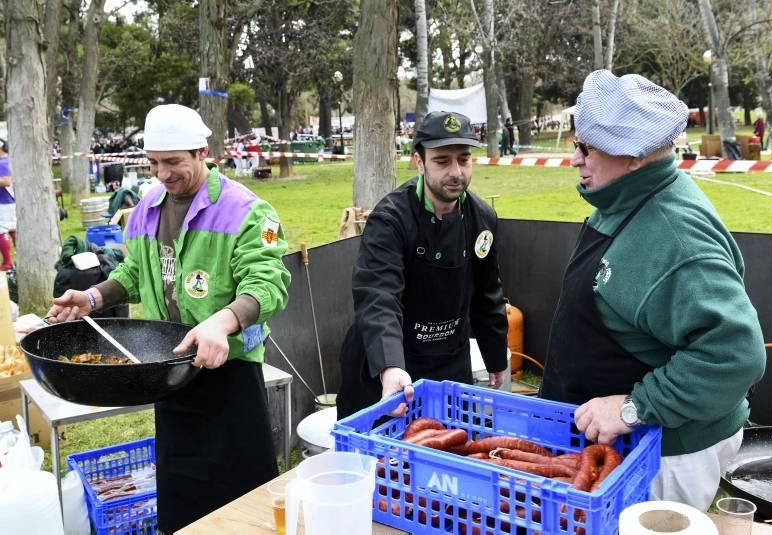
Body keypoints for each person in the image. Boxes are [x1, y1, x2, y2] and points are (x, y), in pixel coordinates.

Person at [47, 104, 291, 533]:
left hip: (230, 374)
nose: (162, 174)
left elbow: (268, 283)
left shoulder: (249, 211)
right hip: (169, 371)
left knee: (243, 500)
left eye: (173, 162)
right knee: (183, 496)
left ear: (202, 152)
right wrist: (91, 296)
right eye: (154, 163)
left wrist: (223, 321)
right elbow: (135, 272)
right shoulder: (146, 209)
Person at [539, 70, 766, 511]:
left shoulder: (676, 239)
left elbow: (737, 355)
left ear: (636, 156)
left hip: (666, 455)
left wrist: (632, 407)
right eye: (576, 144)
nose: (575, 159)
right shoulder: (622, 196)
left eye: (588, 148)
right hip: (611, 444)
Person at [336, 111, 509, 420]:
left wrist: (495, 357)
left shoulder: (483, 219)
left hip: (449, 361)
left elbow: (487, 294)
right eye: (442, 161)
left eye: (464, 159)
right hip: (389, 360)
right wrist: (390, 366)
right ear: (419, 161)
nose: (456, 172)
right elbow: (378, 297)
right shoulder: (390, 220)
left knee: (450, 444)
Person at [0, 139, 16, 271]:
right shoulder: (10, 160)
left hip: (5, 201)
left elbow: (6, 181)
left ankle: (7, 262)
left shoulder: (3, 162)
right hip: (10, 201)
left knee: (1, 231)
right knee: (13, 230)